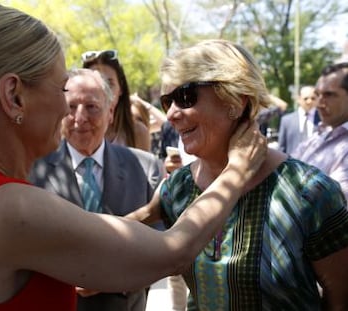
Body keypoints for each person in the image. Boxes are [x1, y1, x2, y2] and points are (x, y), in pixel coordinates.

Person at [0, 4, 267, 310]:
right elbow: (173, 252)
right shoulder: (9, 207)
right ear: (14, 97)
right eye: (62, 88)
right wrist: (237, 171)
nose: (68, 109)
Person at [126, 39, 348, 310]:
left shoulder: (309, 191)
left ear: (235, 100)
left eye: (184, 97)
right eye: (166, 102)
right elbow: (118, 238)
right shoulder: (177, 188)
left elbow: (341, 298)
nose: (171, 114)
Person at [29, 68, 164, 311]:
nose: (80, 118)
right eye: (71, 107)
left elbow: (161, 247)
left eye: (91, 107)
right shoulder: (31, 170)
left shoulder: (144, 167)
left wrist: (111, 275)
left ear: (110, 112)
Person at [293, 62, 348, 201]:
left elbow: (330, 202)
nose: (319, 103)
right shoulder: (319, 134)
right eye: (318, 94)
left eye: (329, 95)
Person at [82, 50, 150, 151]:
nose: (103, 91)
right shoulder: (75, 131)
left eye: (109, 83)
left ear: (120, 88)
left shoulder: (137, 132)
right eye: (95, 83)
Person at [278, 85, 320, 155]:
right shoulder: (287, 120)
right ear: (299, 99)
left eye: (313, 98)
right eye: (305, 98)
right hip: (293, 163)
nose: (309, 101)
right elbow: (281, 148)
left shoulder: (323, 120)